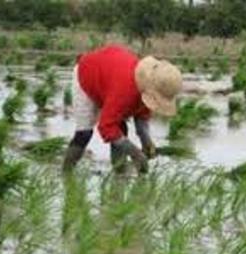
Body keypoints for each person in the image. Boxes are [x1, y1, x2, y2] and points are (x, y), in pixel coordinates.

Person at [63, 44, 183, 174]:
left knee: (121, 129)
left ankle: (119, 173)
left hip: (109, 78)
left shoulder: (146, 88)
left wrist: (147, 141)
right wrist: (135, 153)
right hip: (87, 72)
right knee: (84, 133)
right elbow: (106, 126)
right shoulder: (125, 90)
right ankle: (66, 173)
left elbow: (141, 118)